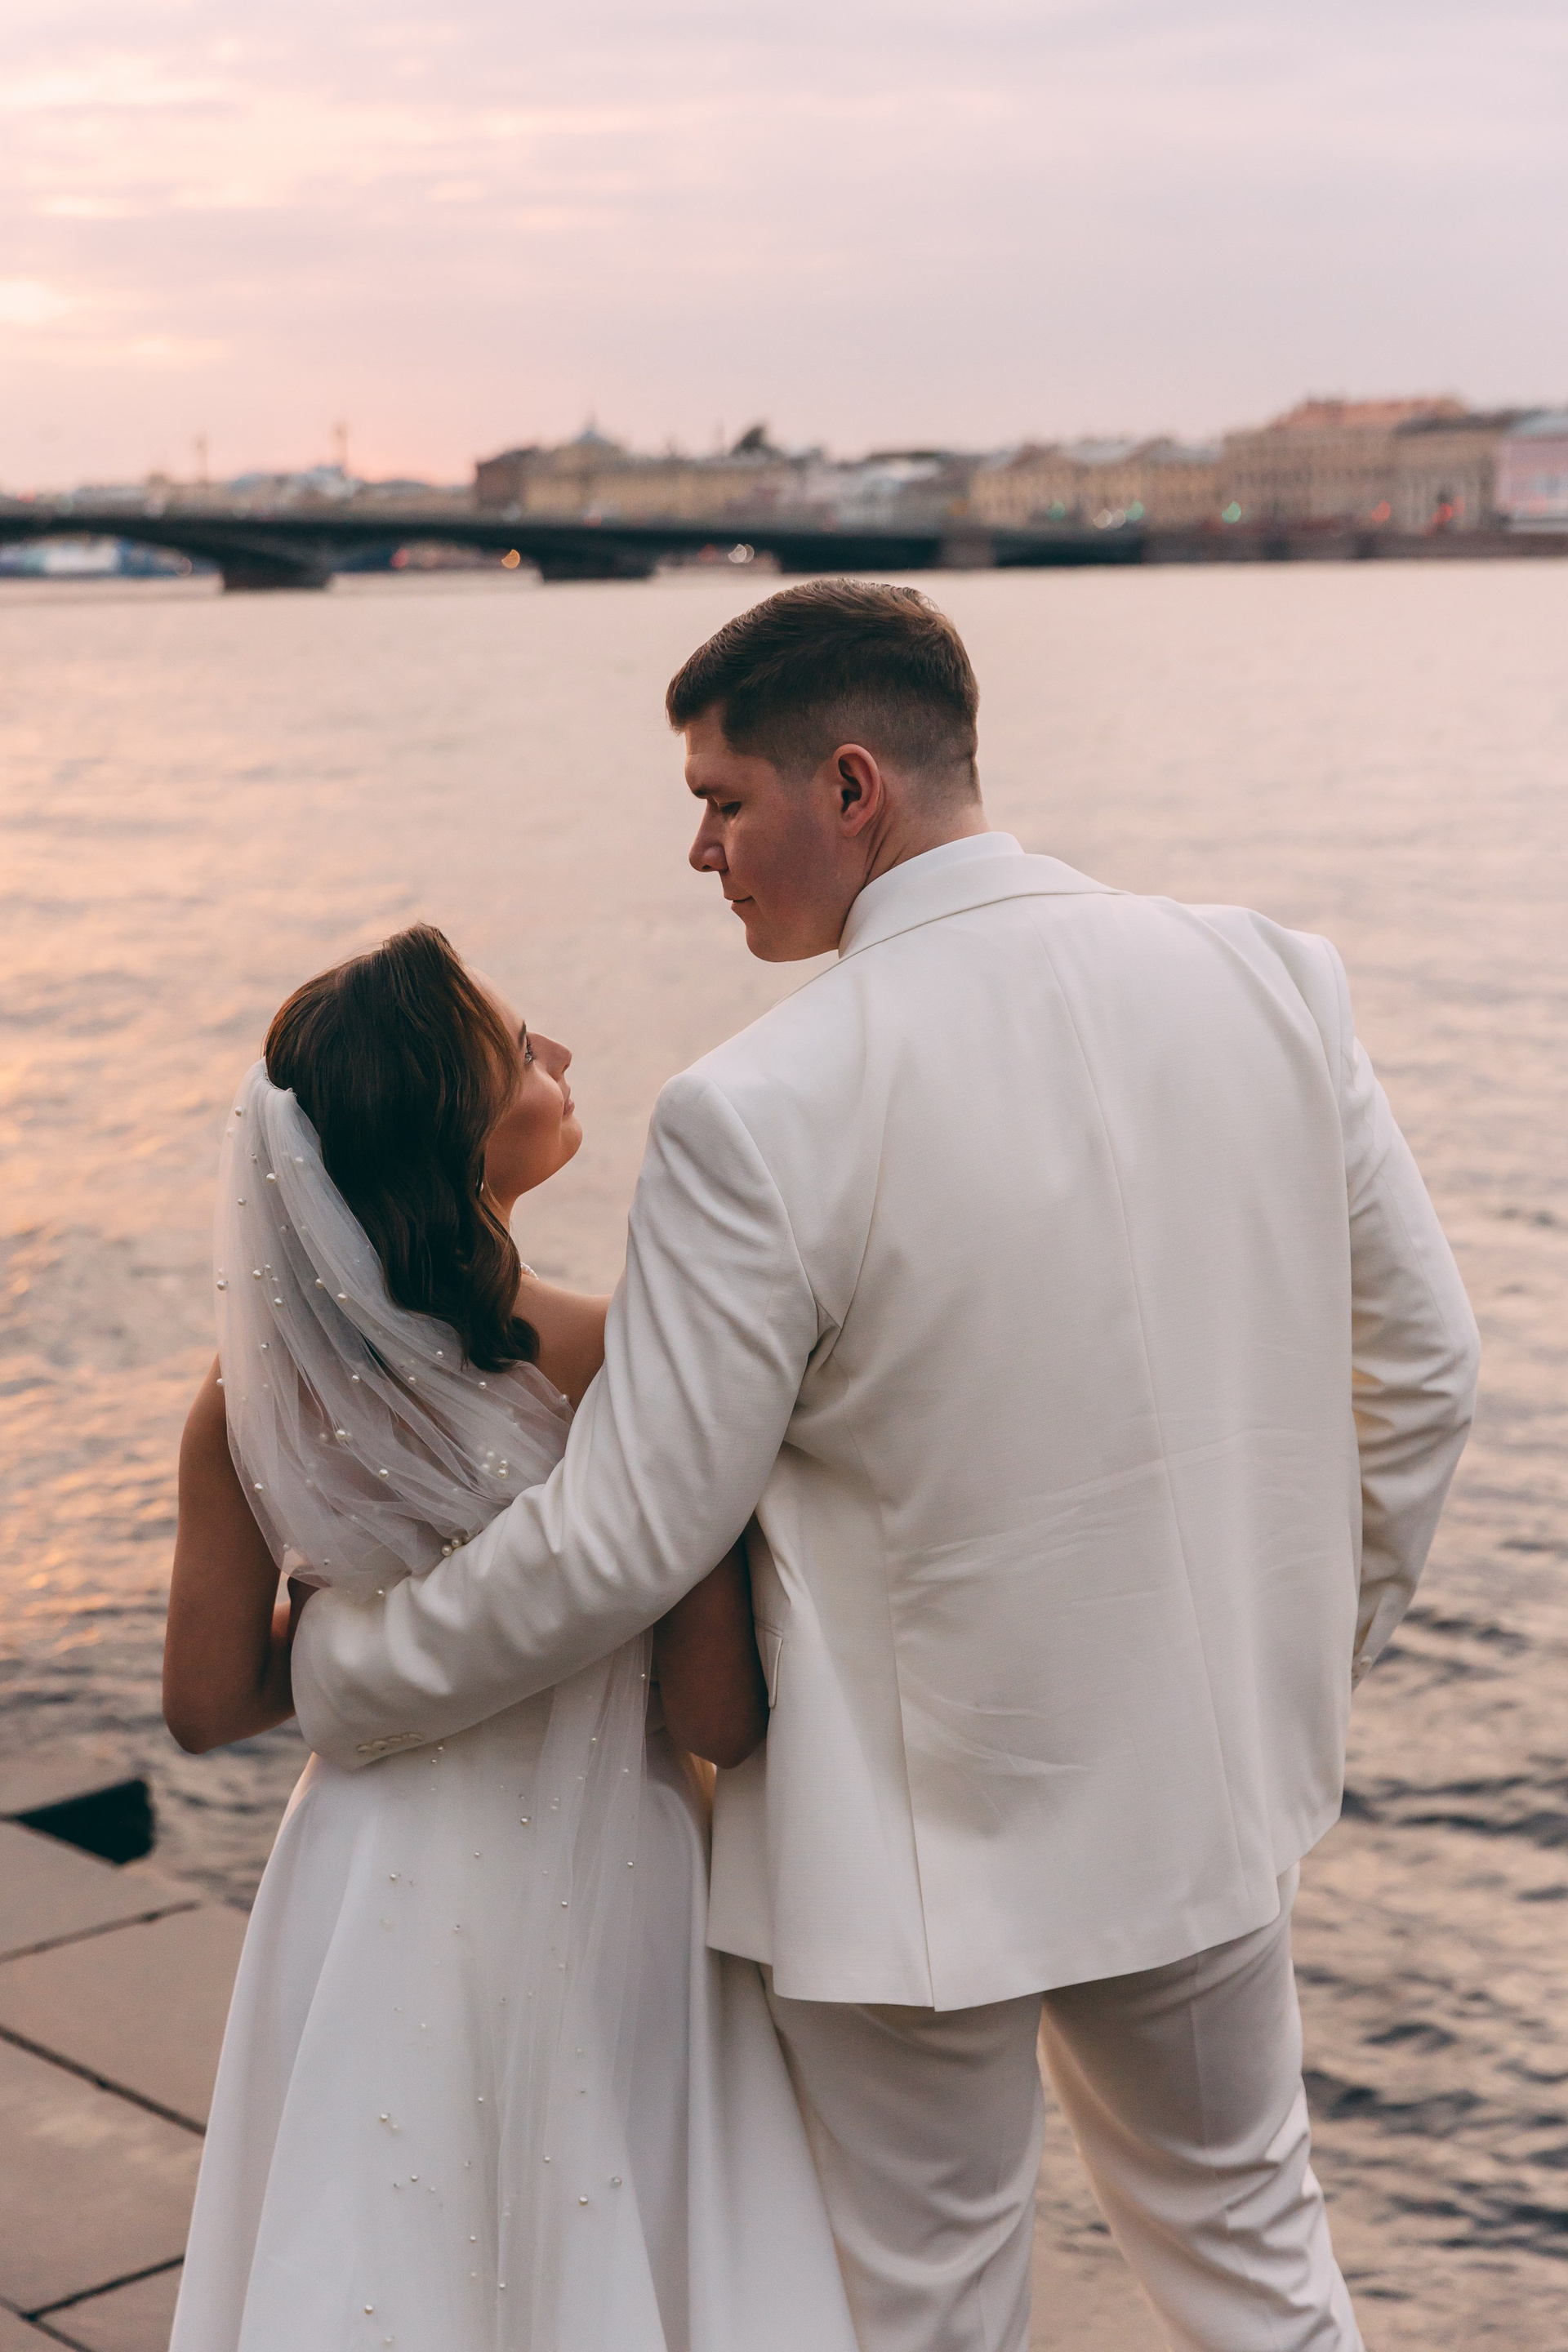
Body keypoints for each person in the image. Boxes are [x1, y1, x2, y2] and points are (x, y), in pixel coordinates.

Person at [292, 580, 1481, 2352]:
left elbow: (630, 1537)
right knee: (1261, 2269)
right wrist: (1296, 1659)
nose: (701, 852)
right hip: (1211, 1796)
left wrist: (354, 1675)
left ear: (852, 786)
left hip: (906, 1867)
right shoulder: (1269, 978)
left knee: (922, 2321)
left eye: (721, 800)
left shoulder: (758, 1109)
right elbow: (1431, 1377)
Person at [163, 924, 858, 2352]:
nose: (559, 1056)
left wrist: (351, 1630)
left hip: (364, 1878)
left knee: (371, 2239)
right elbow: (714, 1718)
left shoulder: (248, 1404)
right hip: (605, 1873)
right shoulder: (624, 1363)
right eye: (523, 1050)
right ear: (458, 1132)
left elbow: (206, 1703)